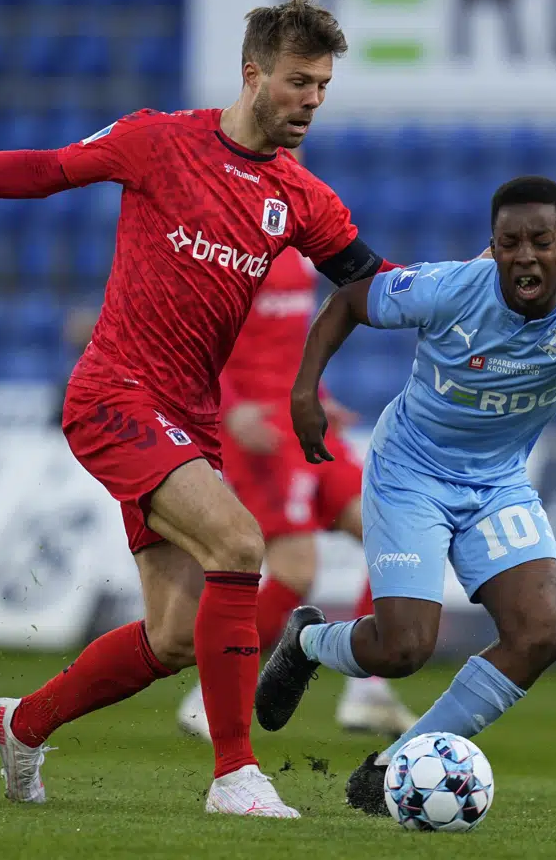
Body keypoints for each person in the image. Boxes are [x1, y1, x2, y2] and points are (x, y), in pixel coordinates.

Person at [0, 0, 403, 819]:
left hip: (188, 421)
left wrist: (480, 299)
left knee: (173, 634)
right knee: (240, 541)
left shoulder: (300, 196)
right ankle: (235, 775)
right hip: (114, 394)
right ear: (252, 75)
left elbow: (377, 282)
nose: (313, 100)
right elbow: (45, 170)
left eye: (322, 85)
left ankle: (23, 724)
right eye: (298, 82)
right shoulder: (158, 141)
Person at [253, 175, 556, 815]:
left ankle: (395, 765)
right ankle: (307, 642)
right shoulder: (450, 287)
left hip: (496, 482)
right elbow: (347, 302)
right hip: (410, 473)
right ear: (494, 246)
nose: (525, 256)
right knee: (404, 649)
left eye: (541, 242)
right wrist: (304, 392)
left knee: (542, 633)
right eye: (510, 243)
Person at [176, 245, 418, 743]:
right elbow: (199, 338)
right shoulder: (231, 248)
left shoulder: (299, 251)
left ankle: (367, 688)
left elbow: (289, 345)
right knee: (295, 570)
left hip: (303, 419)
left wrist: (320, 397)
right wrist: (230, 409)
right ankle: (209, 693)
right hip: (258, 428)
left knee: (393, 533)